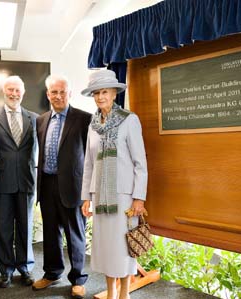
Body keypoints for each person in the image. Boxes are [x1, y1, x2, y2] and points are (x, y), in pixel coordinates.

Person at [80, 69, 148, 299]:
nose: (100, 97)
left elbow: (141, 163)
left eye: (104, 92)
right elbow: (88, 163)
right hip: (100, 197)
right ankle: (111, 292)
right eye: (96, 93)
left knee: (123, 248)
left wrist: (139, 198)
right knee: (108, 248)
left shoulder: (130, 120)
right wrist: (86, 197)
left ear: (114, 93)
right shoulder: (92, 125)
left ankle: (124, 294)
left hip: (125, 198)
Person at [32, 74, 91, 299]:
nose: (58, 96)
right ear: (48, 95)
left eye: (62, 92)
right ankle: (52, 272)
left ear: (69, 93)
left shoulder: (84, 119)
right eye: (53, 92)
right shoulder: (41, 120)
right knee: (50, 232)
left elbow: (90, 157)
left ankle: (78, 278)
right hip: (47, 183)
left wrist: (89, 193)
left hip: (73, 186)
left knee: (75, 233)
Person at [0, 75, 38, 287]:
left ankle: (25, 268)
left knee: (26, 227)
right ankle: (5, 270)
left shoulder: (34, 118)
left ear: (23, 92)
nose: (14, 93)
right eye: (10, 89)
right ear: (3, 91)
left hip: (26, 180)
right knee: (4, 227)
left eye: (17, 90)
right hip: (2, 182)